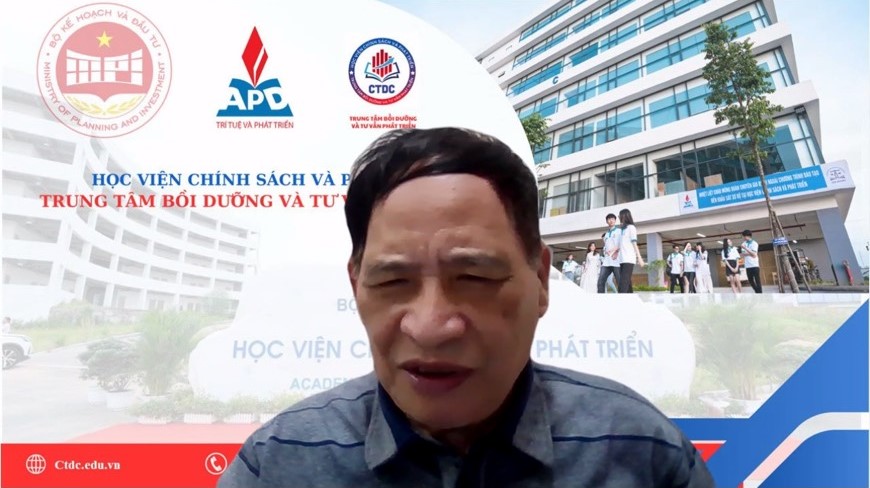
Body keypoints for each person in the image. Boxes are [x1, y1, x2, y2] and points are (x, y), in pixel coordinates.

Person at [219, 128, 714, 487]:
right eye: (392, 280)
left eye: (474, 278)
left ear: (540, 280)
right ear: (356, 285)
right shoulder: (278, 466)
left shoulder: (644, 456)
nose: (431, 327)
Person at [616, 209, 645, 293]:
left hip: (628, 259)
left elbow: (634, 243)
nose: (619, 217)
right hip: (621, 259)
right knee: (627, 283)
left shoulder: (631, 228)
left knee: (623, 284)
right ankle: (631, 298)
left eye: (619, 215)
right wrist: (615, 253)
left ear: (624, 216)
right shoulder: (621, 229)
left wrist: (639, 258)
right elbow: (621, 245)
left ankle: (621, 300)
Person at [597, 214, 621, 293]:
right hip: (607, 262)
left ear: (615, 220)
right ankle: (600, 298)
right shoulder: (606, 234)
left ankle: (624, 298)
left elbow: (621, 243)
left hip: (617, 261)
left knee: (620, 282)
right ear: (607, 221)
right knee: (600, 281)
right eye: (609, 219)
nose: (611, 220)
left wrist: (616, 252)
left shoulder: (619, 231)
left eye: (612, 219)